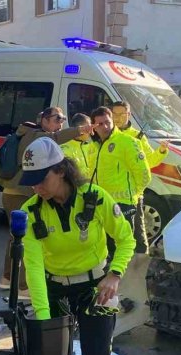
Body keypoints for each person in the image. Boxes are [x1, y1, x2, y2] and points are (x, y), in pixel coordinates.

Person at [18, 137, 134, 355]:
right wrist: (42, 316)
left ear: (60, 170)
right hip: (55, 290)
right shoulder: (31, 212)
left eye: (42, 177)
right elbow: (34, 268)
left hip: (95, 288)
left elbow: (126, 238)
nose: (36, 186)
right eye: (31, 180)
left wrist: (114, 274)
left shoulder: (96, 198)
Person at [0, 106, 90, 296]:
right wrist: (80, 130)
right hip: (19, 194)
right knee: (27, 239)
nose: (61, 122)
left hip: (14, 192)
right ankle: (23, 286)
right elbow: (54, 139)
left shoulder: (29, 133)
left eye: (63, 119)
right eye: (58, 119)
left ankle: (7, 278)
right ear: (45, 120)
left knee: (16, 237)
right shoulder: (36, 136)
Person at [89, 106, 151, 256]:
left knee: (124, 249)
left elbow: (144, 174)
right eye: (99, 124)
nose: (104, 127)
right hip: (102, 204)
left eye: (107, 122)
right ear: (94, 127)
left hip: (123, 205)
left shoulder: (127, 141)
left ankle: (129, 278)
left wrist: (133, 195)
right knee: (107, 249)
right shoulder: (94, 146)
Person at [110, 101, 165, 253]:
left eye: (121, 114)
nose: (117, 118)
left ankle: (138, 269)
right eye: (114, 114)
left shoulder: (137, 137)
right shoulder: (107, 134)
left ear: (129, 115)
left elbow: (149, 162)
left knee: (137, 233)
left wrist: (161, 151)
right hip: (109, 193)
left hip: (131, 195)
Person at [60, 113, 98, 179]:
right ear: (80, 128)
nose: (90, 131)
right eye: (88, 128)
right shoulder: (65, 150)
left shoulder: (90, 145)